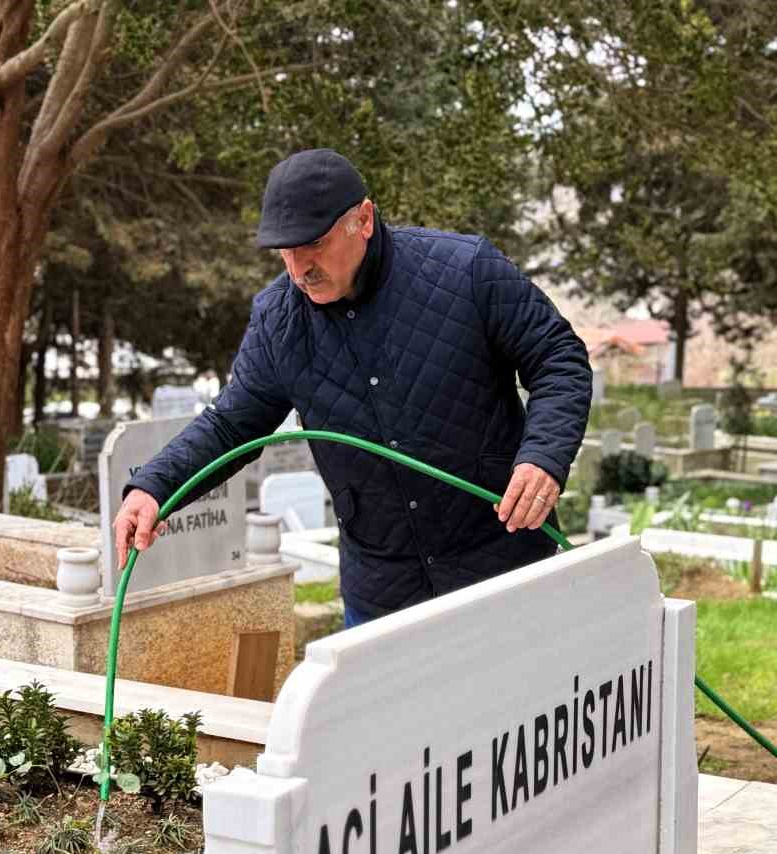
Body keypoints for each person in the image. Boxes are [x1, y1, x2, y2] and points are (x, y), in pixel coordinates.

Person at [111, 148, 592, 627]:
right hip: (382, 593)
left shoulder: (466, 270)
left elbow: (559, 357)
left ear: (363, 220)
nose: (299, 269)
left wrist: (544, 456)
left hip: (503, 568)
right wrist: (154, 487)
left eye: (313, 244)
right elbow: (231, 425)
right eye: (285, 251)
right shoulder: (277, 319)